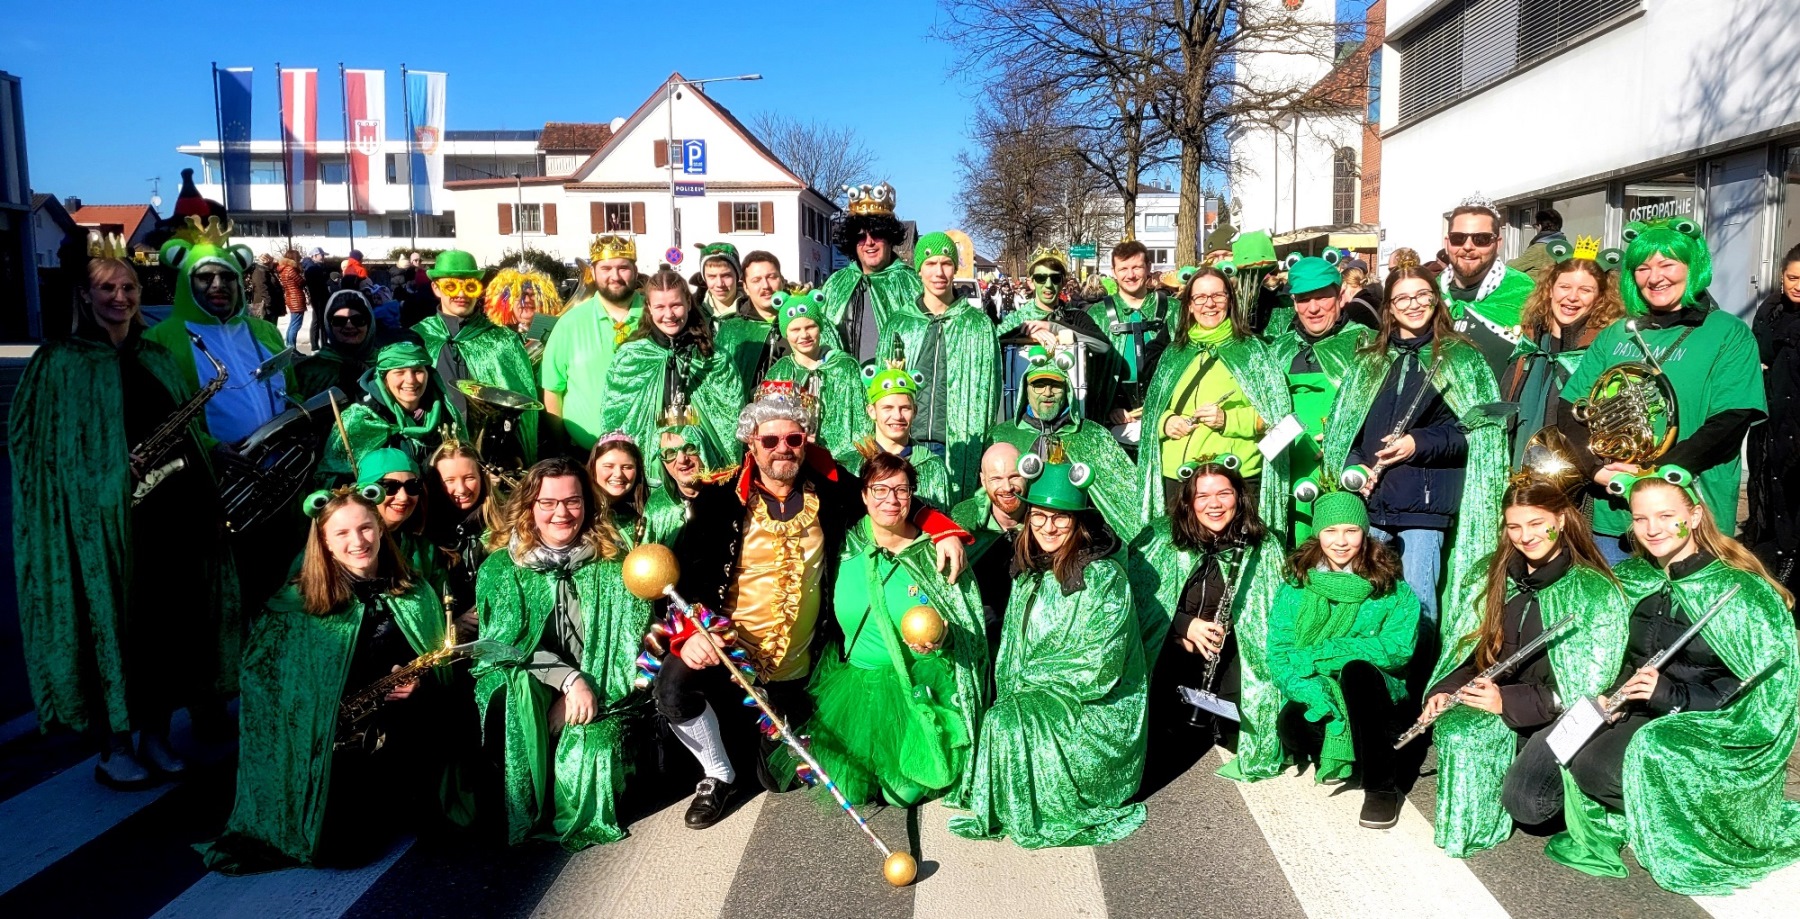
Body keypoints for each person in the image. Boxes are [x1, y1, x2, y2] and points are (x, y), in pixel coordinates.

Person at [652, 385, 968, 828]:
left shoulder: (832, 491)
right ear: (752, 443)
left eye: (793, 438)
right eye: (770, 439)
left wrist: (942, 528)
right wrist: (691, 635)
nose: (782, 448)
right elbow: (684, 578)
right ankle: (717, 774)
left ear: (806, 441)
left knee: (776, 778)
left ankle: (754, 743)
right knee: (671, 687)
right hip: (727, 653)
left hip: (797, 670)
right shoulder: (718, 500)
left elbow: (886, 496)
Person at [12, 250, 240, 787]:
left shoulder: (154, 355)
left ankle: (155, 737)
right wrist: (107, 468)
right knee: (115, 631)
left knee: (166, 631)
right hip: (100, 526)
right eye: (108, 288)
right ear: (85, 296)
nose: (120, 297)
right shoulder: (58, 361)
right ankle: (113, 748)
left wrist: (213, 459)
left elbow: (186, 429)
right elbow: (33, 449)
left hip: (169, 515)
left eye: (129, 288)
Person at [1518, 469, 1800, 893]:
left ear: (1695, 516)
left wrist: (1670, 694)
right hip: (1634, 710)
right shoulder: (1635, 577)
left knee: (1600, 766)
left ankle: (1687, 811)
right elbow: (1608, 650)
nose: (1653, 529)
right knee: (1528, 798)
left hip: (1703, 724)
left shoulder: (1741, 591)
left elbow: (1762, 695)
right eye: (1641, 518)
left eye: (1667, 516)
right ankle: (1631, 801)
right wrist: (1605, 692)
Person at [199, 488, 471, 872]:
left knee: (450, 824)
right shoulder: (296, 605)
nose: (358, 541)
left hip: (406, 723)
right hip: (336, 741)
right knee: (343, 854)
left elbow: (439, 668)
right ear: (324, 543)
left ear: (380, 529)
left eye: (366, 528)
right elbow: (267, 687)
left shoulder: (413, 590)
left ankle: (412, 795)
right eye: (342, 533)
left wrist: (418, 683)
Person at [1423, 476, 1628, 858]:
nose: (1525, 536)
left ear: (1561, 519)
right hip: (1506, 701)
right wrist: (1445, 689)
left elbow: (1586, 688)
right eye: (1514, 526)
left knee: (1529, 805)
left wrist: (1507, 701)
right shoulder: (1495, 574)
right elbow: (1473, 654)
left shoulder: (1591, 589)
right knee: (1458, 730)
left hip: (1561, 712)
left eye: (1536, 523)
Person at [949, 458, 1147, 848]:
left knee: (1007, 722)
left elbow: (1101, 667)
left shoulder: (1104, 578)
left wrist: (1030, 687)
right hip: (1038, 695)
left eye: (1061, 518)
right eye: (1039, 516)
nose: (1048, 527)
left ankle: (1048, 804)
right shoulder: (1029, 572)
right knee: (999, 718)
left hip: (1093, 709)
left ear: (1079, 522)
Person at [777, 451, 988, 807]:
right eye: (880, 489)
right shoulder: (842, 543)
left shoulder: (933, 553)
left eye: (901, 490)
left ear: (912, 496)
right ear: (864, 495)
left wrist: (943, 637)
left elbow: (967, 624)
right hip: (856, 687)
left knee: (900, 794)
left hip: (915, 684)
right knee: (851, 789)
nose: (891, 499)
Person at [1558, 219, 1766, 563]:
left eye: (1667, 265)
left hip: (1691, 511)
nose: (1655, 278)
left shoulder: (1728, 332)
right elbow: (1571, 407)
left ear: (1692, 267)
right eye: (1643, 268)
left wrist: (1651, 475)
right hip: (1616, 515)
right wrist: (1594, 467)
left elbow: (1731, 420)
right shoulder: (1616, 333)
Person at [474, 457, 655, 849]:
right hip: (536, 681)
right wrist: (568, 682)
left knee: (591, 753)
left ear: (587, 504)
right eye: (548, 503)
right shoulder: (501, 568)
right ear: (530, 507)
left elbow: (626, 646)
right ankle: (521, 806)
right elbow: (506, 646)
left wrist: (586, 689)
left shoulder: (613, 563)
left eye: (572, 501)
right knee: (513, 695)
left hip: (602, 685)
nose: (562, 513)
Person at [1324, 266, 1506, 634]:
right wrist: (1355, 468)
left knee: (1418, 606)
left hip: (1425, 509)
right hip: (1371, 503)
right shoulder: (1371, 359)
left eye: (1423, 295)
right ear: (1389, 307)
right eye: (1403, 298)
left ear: (1436, 299)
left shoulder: (1461, 358)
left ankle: (1417, 670)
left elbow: (1478, 435)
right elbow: (1347, 429)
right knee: (1355, 603)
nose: (1414, 304)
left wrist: (1416, 444)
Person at [1265, 491, 1420, 829]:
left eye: (1351, 530)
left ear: (1364, 533)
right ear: (1318, 534)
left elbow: (1398, 649)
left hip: (1375, 694)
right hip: (1320, 687)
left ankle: (1381, 786)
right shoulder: (1297, 585)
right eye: (1330, 531)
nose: (1340, 541)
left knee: (1357, 670)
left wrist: (1325, 653)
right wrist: (1311, 691)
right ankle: (1354, 752)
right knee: (1291, 725)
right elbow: (1279, 653)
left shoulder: (1391, 588)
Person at [1130, 457, 1288, 782]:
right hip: (1172, 646)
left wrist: (1232, 634)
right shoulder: (1162, 537)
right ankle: (1176, 707)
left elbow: (1267, 617)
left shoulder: (1262, 544)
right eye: (1203, 496)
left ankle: (1207, 711)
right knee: (1161, 728)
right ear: (1189, 501)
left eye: (1223, 494)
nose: (1214, 504)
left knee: (1237, 726)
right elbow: (1141, 604)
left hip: (1226, 651)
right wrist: (1185, 627)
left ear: (1239, 497)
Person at [1137, 266, 1291, 537]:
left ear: (1230, 300)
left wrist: (1228, 420)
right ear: (1189, 305)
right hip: (1180, 477)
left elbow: (1281, 419)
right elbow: (1154, 411)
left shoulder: (1253, 352)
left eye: (1218, 296)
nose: (1209, 304)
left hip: (1235, 477)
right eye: (1200, 297)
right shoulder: (1174, 354)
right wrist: (1165, 422)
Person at [144, 216, 290, 445]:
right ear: (187, 282)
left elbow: (292, 391)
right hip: (214, 465)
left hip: (281, 456)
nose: (218, 284)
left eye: (227, 276)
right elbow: (157, 416)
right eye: (205, 277)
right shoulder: (158, 339)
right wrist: (211, 449)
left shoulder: (266, 331)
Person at [879, 232, 1001, 502]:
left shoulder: (977, 325)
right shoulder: (900, 324)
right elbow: (882, 389)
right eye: (931, 264)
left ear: (955, 268)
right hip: (907, 442)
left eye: (946, 263)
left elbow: (990, 391)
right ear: (919, 269)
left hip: (957, 444)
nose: (939, 272)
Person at [596, 269, 743, 482]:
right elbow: (615, 420)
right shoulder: (630, 357)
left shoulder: (714, 358)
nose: (669, 315)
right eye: (660, 307)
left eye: (675, 305)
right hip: (647, 479)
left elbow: (730, 422)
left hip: (704, 477)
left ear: (689, 303)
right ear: (649, 308)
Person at [985, 343, 1139, 539]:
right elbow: (985, 496)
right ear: (1025, 389)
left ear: (1067, 390)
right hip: (1019, 539)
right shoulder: (1002, 436)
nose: (1047, 392)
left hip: (1077, 538)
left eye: (1056, 385)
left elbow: (1124, 499)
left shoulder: (1092, 435)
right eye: (1039, 385)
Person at [1267, 255, 1368, 542]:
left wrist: (1349, 441)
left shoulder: (1367, 344)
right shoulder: (1277, 350)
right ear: (1294, 303)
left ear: (1340, 295)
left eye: (1322, 297)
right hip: (1287, 474)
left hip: (1344, 473)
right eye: (1303, 300)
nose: (1313, 309)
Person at [1501, 242, 1624, 466]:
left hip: (1574, 472)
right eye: (1565, 287)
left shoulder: (1600, 351)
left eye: (1585, 290)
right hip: (1516, 470)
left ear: (1600, 297)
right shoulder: (1530, 341)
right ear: (1550, 289)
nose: (1572, 297)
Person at [413, 249, 540, 465]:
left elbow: (523, 406)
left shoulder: (503, 340)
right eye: (451, 286)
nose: (462, 294)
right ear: (436, 288)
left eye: (470, 286)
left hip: (494, 456)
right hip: (435, 453)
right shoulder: (419, 337)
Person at [541, 236, 644, 453]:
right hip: (583, 454)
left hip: (648, 454)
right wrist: (561, 448)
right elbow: (552, 390)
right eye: (606, 268)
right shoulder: (569, 323)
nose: (615, 276)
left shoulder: (656, 318)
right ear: (594, 273)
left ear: (635, 271)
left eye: (623, 268)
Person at [316, 335, 464, 484]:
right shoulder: (361, 418)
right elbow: (330, 478)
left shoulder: (446, 412)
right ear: (383, 377)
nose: (411, 380)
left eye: (418, 371)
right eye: (399, 372)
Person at [762, 290, 869, 466]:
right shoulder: (780, 372)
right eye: (795, 329)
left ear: (820, 327)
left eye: (810, 327)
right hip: (794, 459)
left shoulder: (844, 366)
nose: (804, 335)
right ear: (785, 333)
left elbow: (861, 417)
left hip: (841, 462)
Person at [1747, 242, 1800, 589]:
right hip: (1772, 417)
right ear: (1782, 277)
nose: (1798, 286)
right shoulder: (1770, 310)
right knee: (1771, 484)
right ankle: (1777, 554)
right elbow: (1757, 354)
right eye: (1793, 278)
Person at [820, 182, 921, 361]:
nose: (869, 242)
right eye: (860, 236)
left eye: (877, 234)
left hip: (897, 378)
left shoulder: (911, 282)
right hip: (847, 378)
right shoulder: (835, 284)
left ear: (890, 238)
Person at [1439, 194, 1536, 378]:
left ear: (1497, 243)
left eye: (1481, 239)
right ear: (1447, 243)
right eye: (1458, 238)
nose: (1468, 246)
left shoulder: (1525, 291)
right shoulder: (1428, 293)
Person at [1087, 240, 1176, 431]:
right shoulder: (1097, 314)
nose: (1130, 275)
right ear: (1113, 272)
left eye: (1137, 267)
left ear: (1148, 267)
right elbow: (1090, 371)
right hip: (1114, 411)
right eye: (1123, 269)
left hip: (1167, 406)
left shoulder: (1174, 310)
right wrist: (1110, 405)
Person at [951, 443, 1026, 664]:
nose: (1007, 487)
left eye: (1014, 476)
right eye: (996, 479)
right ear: (983, 481)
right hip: (981, 643)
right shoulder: (964, 519)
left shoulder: (1045, 520)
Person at [849, 356, 952, 507]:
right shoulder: (852, 464)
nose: (897, 416)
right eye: (888, 408)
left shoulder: (932, 466)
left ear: (915, 411)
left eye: (905, 408)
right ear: (872, 411)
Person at [426, 439, 500, 619]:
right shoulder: (425, 533)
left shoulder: (504, 525)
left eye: (469, 478)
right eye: (449, 480)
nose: (461, 489)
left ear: (482, 477)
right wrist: (454, 624)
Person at [713, 249, 787, 387]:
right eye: (756, 280)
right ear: (746, 287)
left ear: (782, 281)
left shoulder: (801, 322)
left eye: (771, 277)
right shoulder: (732, 330)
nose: (765, 286)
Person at [588, 431, 669, 548]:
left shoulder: (648, 516)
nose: (618, 474)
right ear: (593, 467)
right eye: (608, 466)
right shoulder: (581, 516)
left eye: (627, 467)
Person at [295, 289, 376, 399]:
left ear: (369, 324)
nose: (349, 326)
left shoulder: (387, 364)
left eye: (358, 320)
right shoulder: (309, 371)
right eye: (339, 321)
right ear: (329, 326)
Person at [647, 424, 711, 542]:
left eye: (690, 448)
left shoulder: (729, 497)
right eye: (669, 453)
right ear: (662, 462)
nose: (682, 459)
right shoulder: (656, 506)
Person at [484, 266, 565, 359]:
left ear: (545, 300)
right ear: (507, 302)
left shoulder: (558, 331)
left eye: (533, 294)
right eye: (520, 295)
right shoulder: (495, 338)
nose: (527, 300)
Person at [1507, 208, 1568, 285]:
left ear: (1540, 226)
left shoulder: (1539, 248)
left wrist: (1508, 261)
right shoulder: (1566, 248)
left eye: (1535, 226)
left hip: (1537, 290)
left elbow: (1511, 267)